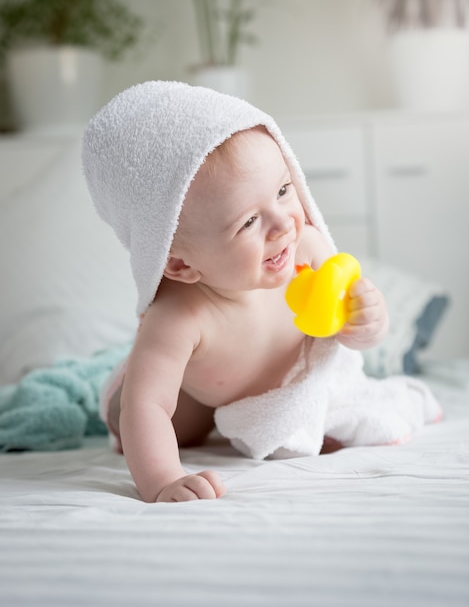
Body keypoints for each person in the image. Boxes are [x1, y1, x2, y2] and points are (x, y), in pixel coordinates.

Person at [82, 81, 440, 503]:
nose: (284, 224)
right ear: (180, 263)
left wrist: (365, 322)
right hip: (189, 400)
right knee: (171, 424)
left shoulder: (306, 248)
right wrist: (162, 480)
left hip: (257, 387)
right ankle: (105, 377)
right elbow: (148, 408)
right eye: (249, 221)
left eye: (284, 190)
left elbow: (349, 334)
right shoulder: (180, 317)